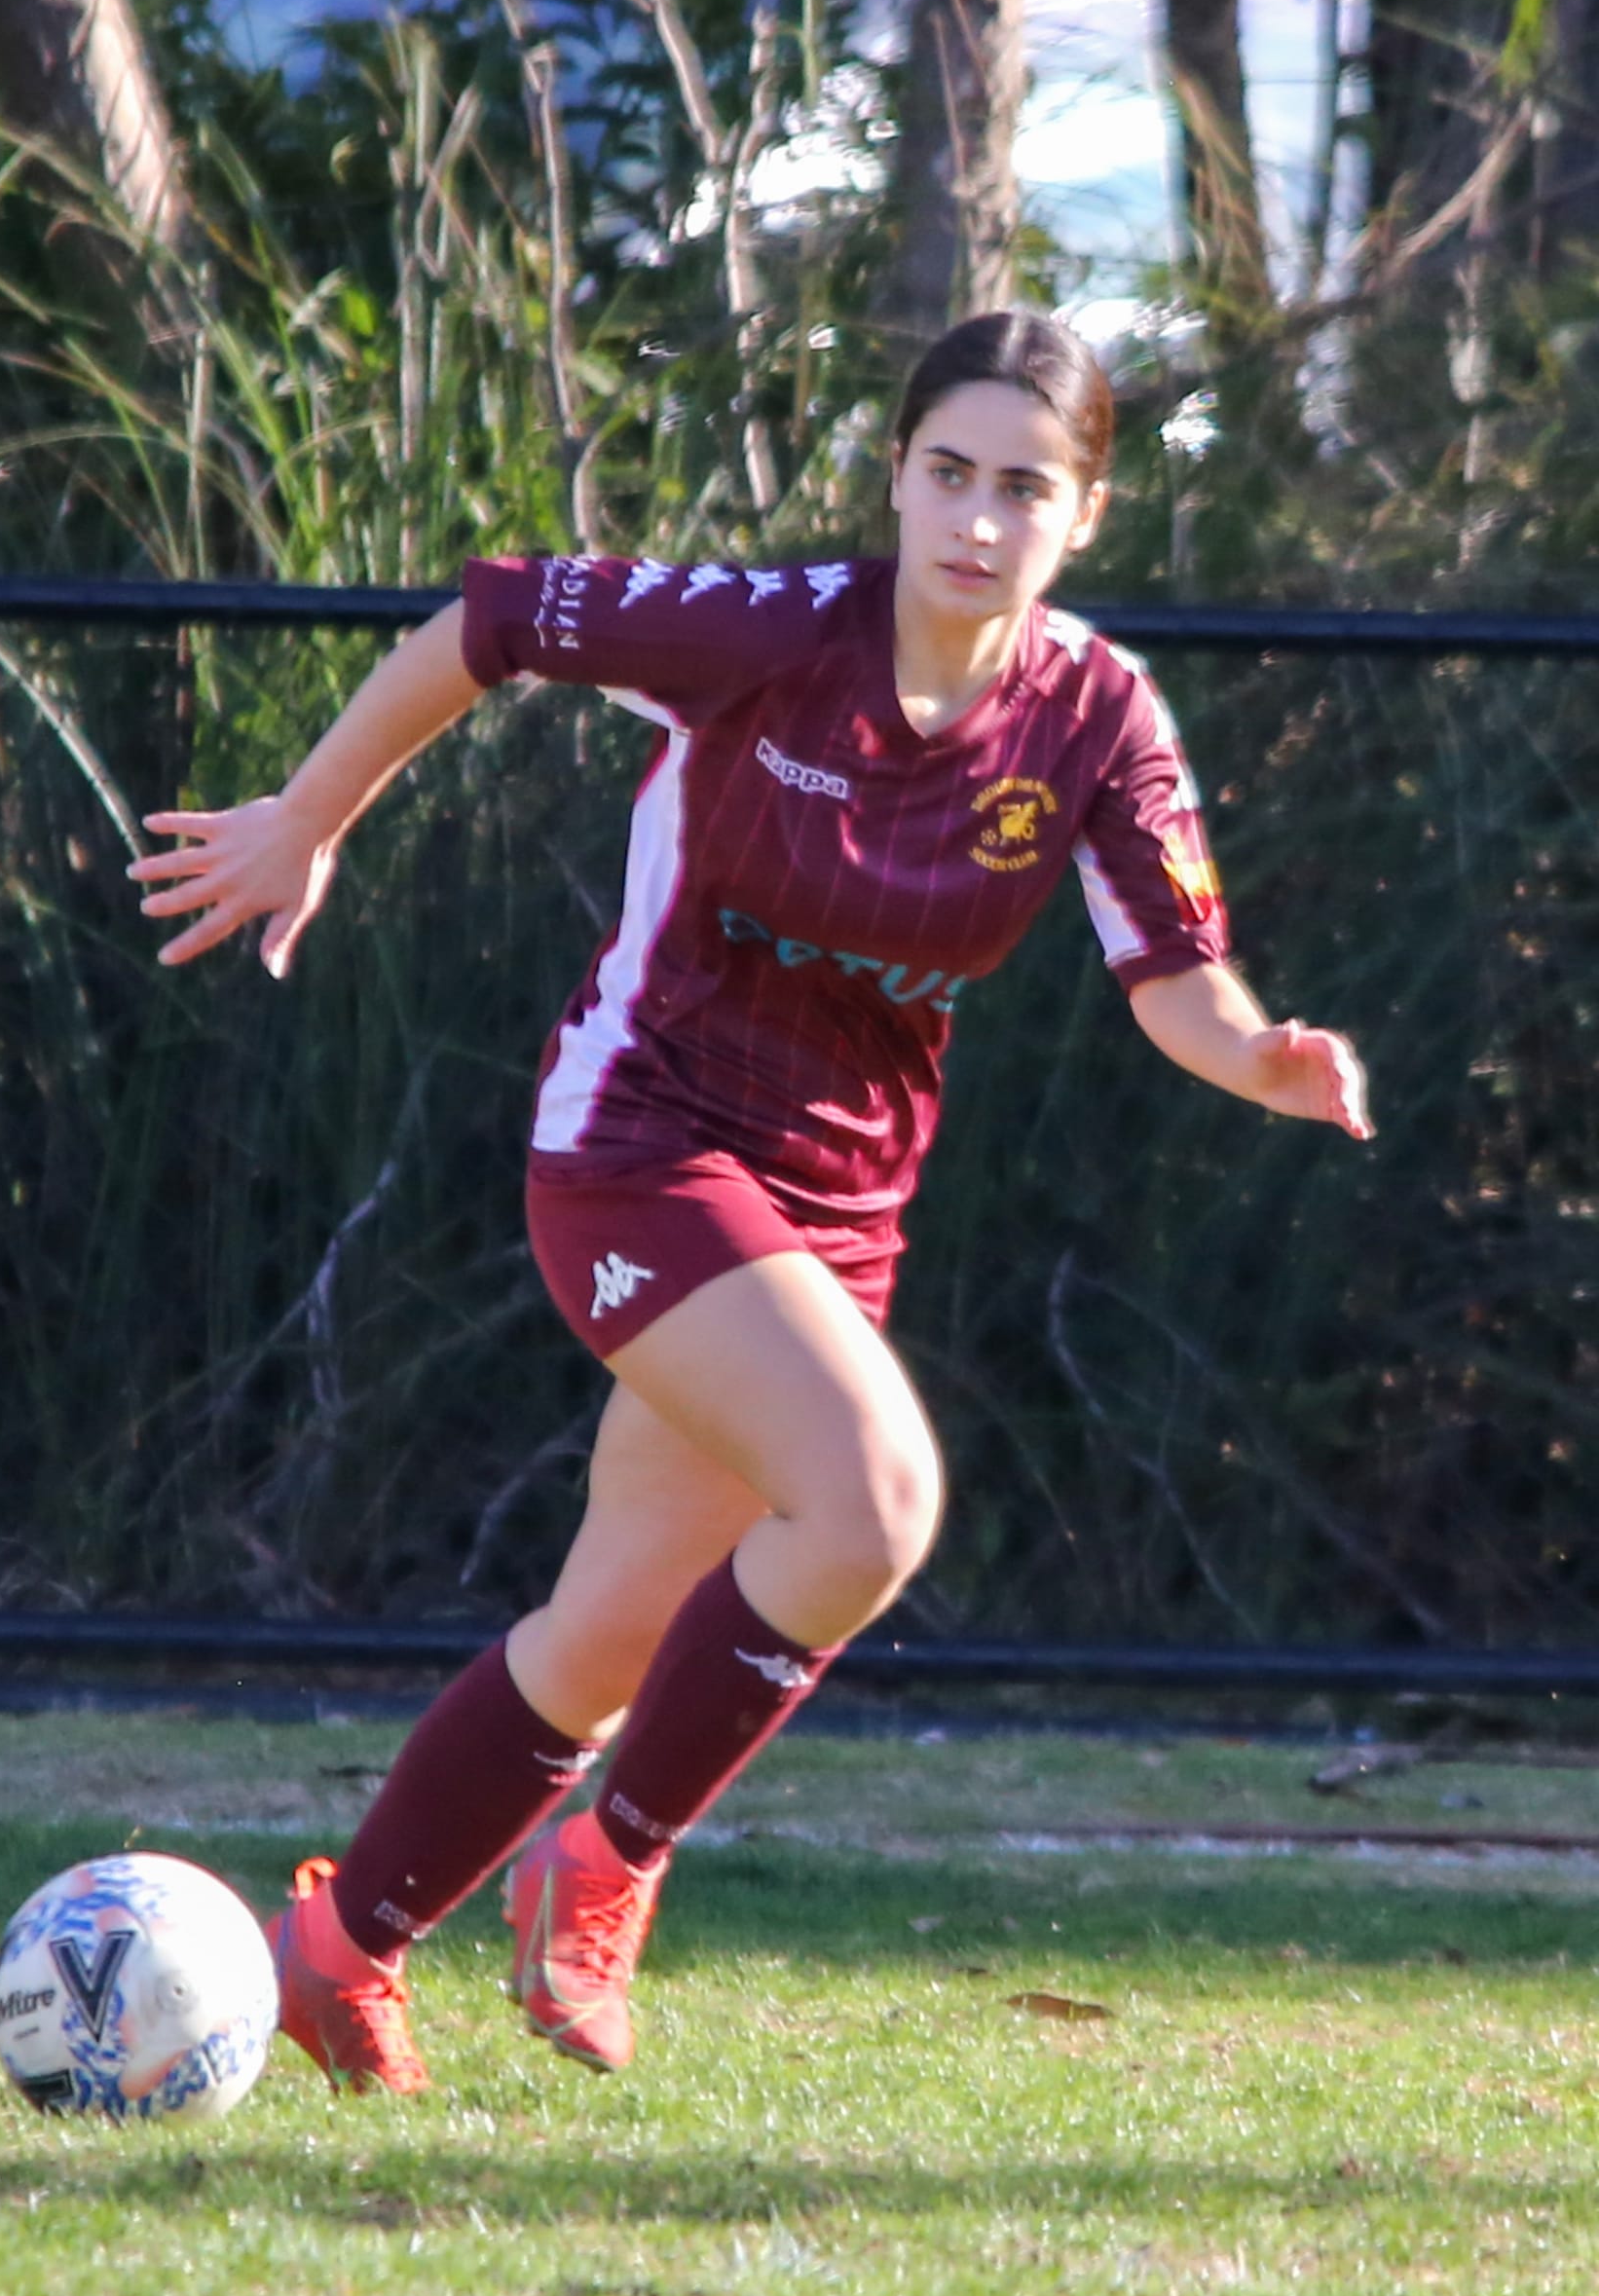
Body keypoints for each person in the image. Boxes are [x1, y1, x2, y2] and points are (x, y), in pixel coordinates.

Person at [129, 311, 1372, 2096]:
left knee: (609, 1630)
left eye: (1026, 486)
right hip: (637, 1144)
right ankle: (608, 1857)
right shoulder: (778, 635)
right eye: (947, 470)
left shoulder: (1095, 712)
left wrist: (1259, 1061)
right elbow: (491, 620)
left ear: (1084, 514)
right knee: (874, 1502)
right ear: (896, 475)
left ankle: (339, 1948)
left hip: (835, 1210)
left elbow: (1177, 973)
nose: (977, 516)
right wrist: (310, 819)